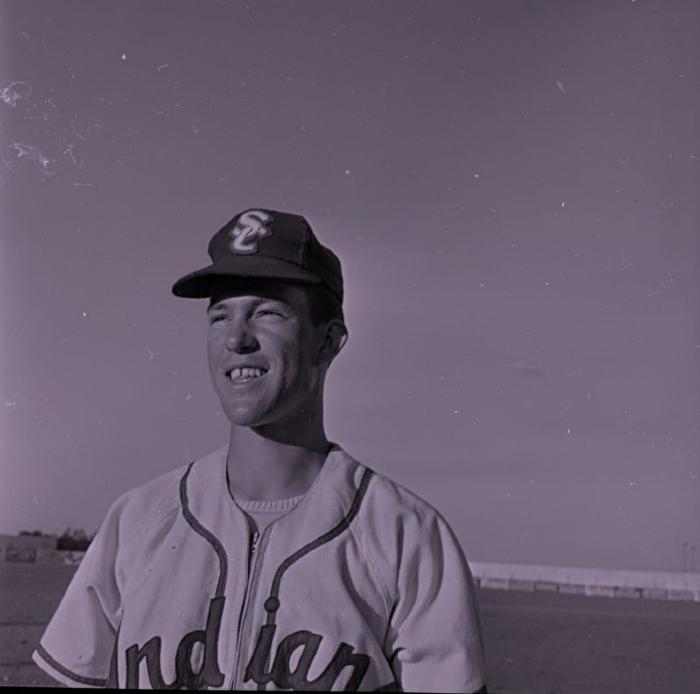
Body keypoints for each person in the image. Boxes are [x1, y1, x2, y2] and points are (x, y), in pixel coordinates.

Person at [32, 208, 488, 692]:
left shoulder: (407, 536)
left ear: (327, 342)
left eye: (267, 313)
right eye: (219, 316)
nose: (236, 339)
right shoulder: (138, 520)